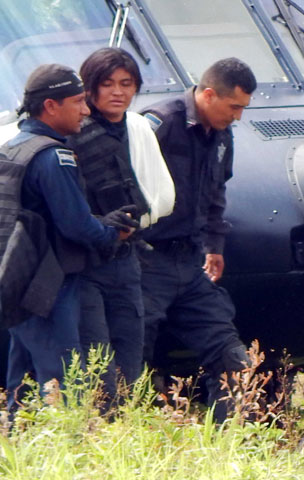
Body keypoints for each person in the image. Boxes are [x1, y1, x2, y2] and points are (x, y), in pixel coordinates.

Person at [1, 64, 134, 413]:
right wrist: (114, 232)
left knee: (21, 383)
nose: (86, 110)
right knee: (64, 382)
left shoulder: (14, 147)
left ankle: (18, 443)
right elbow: (76, 226)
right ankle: (68, 445)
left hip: (16, 278)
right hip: (48, 286)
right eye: (77, 102)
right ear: (50, 106)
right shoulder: (54, 156)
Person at [139, 58, 256, 423]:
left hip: (190, 262)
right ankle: (127, 435)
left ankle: (233, 436)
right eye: (234, 106)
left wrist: (214, 246)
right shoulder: (159, 123)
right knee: (131, 352)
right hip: (146, 259)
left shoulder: (221, 134)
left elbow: (216, 194)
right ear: (208, 94)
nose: (238, 116)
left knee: (228, 350)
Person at [68, 47, 175, 410]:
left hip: (127, 257)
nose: (118, 92)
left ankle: (125, 426)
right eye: (108, 83)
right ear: (90, 88)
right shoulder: (73, 133)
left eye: (126, 84)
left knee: (131, 352)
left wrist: (132, 223)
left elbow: (160, 196)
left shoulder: (137, 127)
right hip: (85, 261)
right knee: (96, 360)